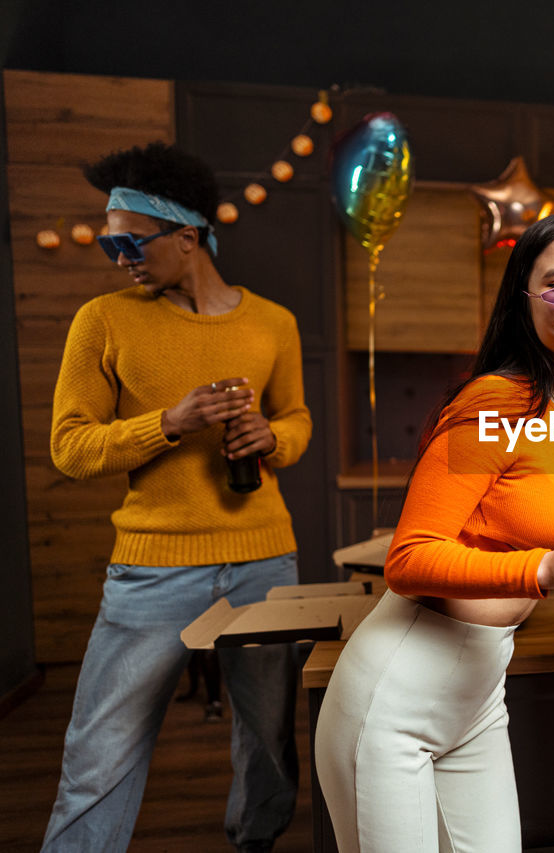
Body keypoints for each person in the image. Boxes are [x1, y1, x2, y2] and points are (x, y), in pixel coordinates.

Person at [313, 213, 554, 852]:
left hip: (475, 701)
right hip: (394, 700)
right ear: (524, 303)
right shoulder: (499, 404)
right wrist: (543, 570)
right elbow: (408, 558)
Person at [44, 142, 312, 853]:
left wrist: (269, 437)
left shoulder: (273, 324)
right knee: (100, 753)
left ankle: (255, 845)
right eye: (111, 244)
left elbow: (297, 420)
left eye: (133, 241)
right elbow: (69, 446)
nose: (121, 257)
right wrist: (169, 423)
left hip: (263, 564)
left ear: (187, 237)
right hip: (152, 571)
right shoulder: (104, 320)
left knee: (269, 748)